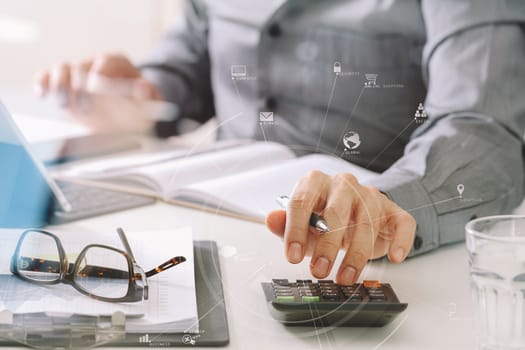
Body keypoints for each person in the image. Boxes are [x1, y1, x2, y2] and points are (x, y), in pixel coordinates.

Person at [34, 0, 525, 285]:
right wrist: (143, 90)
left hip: (365, 267)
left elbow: (484, 125)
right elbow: (192, 59)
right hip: (198, 234)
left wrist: (387, 204)